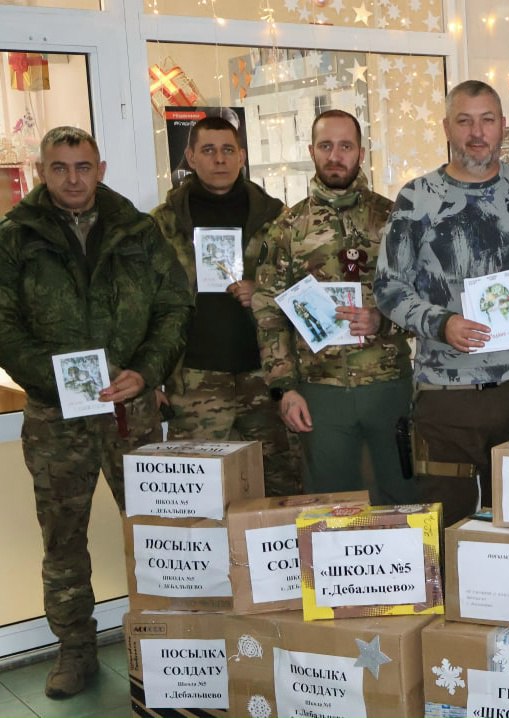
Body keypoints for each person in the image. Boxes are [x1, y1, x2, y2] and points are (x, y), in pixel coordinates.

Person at [0, 127, 191, 697]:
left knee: (157, 534)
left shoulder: (138, 230)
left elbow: (174, 306)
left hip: (132, 410)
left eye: (83, 166)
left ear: (100, 169)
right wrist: (55, 380)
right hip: (55, 418)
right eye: (59, 168)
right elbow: (3, 326)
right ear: (41, 172)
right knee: (63, 540)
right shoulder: (14, 238)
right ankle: (75, 650)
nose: (72, 179)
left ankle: (169, 643)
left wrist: (147, 371)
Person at [375, 80, 509, 527]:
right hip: (447, 396)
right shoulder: (417, 198)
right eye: (464, 121)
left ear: (503, 126)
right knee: (445, 523)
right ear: (446, 128)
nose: (477, 133)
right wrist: (440, 323)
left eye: (487, 120)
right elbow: (388, 286)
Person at [253, 110, 414, 504]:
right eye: (326, 146)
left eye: (345, 146)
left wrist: (383, 321)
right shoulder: (288, 228)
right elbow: (269, 312)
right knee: (331, 506)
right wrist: (284, 388)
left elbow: (421, 295)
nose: (335, 156)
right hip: (319, 391)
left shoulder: (392, 219)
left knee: (402, 499)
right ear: (311, 151)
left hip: (387, 384)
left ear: (361, 152)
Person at [151, 115, 301, 496]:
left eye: (228, 150)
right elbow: (142, 305)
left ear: (242, 156)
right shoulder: (163, 225)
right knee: (199, 495)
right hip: (195, 380)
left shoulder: (278, 220)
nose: (219, 159)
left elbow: (304, 291)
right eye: (208, 150)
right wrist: (149, 377)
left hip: (265, 377)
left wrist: (262, 291)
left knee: (280, 487)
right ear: (190, 157)